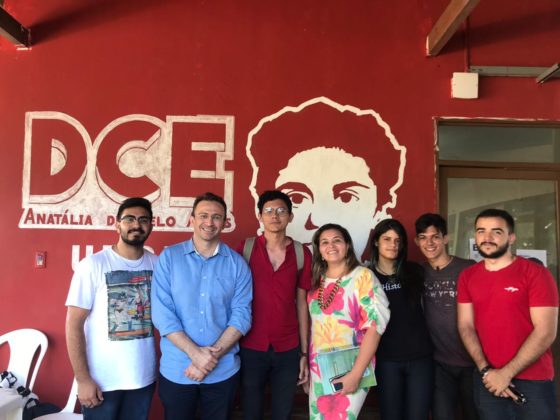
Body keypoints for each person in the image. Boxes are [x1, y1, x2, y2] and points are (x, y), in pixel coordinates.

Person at [247, 96, 406, 259]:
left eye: (346, 197)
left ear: (380, 212)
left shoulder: (365, 276)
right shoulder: (247, 253)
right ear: (260, 216)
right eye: (297, 198)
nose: (318, 221)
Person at [151, 192, 252, 419]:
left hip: (223, 372)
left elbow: (242, 315)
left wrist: (207, 360)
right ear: (192, 219)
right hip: (177, 370)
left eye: (216, 217)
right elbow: (162, 314)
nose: (209, 222)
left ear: (225, 222)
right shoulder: (169, 258)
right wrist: (195, 354)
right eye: (203, 216)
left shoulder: (237, 264)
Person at [457, 209, 559, 420]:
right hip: (488, 380)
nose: (487, 237)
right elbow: (465, 326)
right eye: (481, 231)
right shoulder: (468, 276)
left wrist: (506, 373)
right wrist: (486, 371)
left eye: (496, 232)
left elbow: (546, 331)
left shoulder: (536, 274)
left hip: (533, 380)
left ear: (511, 237)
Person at [65, 197, 158, 420]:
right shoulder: (93, 265)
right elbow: (73, 324)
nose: (136, 225)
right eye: (129, 219)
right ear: (117, 225)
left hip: (143, 378)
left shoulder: (158, 264)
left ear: (151, 226)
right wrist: (83, 379)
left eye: (143, 220)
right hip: (102, 382)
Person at [235, 190, 312, 420]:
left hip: (288, 347)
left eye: (281, 211)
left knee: (283, 411)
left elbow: (302, 304)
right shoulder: (246, 249)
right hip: (250, 344)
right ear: (260, 216)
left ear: (290, 216)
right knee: (251, 410)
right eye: (268, 211)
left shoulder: (301, 253)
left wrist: (304, 352)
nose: (274, 216)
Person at [307, 223, 390, 419]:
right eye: (324, 242)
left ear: (347, 246)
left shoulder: (363, 276)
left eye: (337, 240)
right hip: (319, 368)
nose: (331, 246)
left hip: (353, 365)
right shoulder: (317, 281)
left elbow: (376, 326)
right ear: (319, 250)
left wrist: (356, 374)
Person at [414, 213, 478, 420]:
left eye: (435, 237)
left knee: (476, 415)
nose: (429, 243)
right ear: (416, 241)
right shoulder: (417, 272)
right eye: (423, 237)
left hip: (473, 362)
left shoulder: (468, 268)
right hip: (439, 363)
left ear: (446, 238)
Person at [369, 219, 433, 420]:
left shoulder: (415, 271)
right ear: (376, 242)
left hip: (420, 357)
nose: (393, 244)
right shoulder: (366, 276)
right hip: (386, 359)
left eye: (398, 240)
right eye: (387, 239)